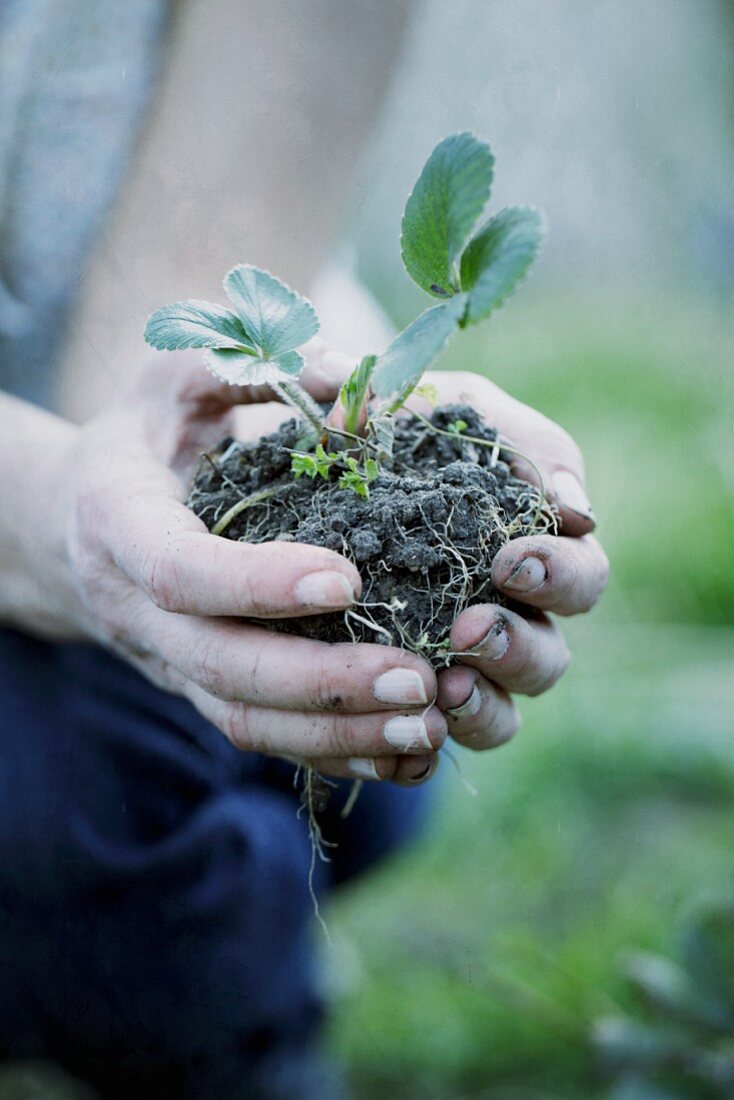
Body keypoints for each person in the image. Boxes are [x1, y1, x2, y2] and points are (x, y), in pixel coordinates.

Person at [0, 1, 609, 1096]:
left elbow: (176, 324)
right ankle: (245, 1024)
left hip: (278, 617)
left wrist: (181, 483)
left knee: (179, 724)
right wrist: (56, 521)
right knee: (94, 801)